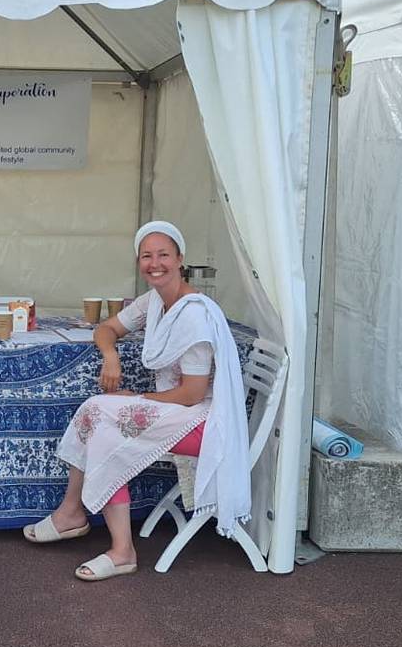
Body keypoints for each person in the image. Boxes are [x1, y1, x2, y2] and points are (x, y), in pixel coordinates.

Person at [23, 221, 249, 582]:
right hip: (176, 411)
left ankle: (119, 549)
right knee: (95, 411)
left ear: (180, 259)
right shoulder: (156, 302)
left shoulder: (194, 314)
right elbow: (106, 328)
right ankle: (73, 514)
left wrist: (138, 397)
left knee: (105, 422)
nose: (154, 263)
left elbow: (192, 394)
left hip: (203, 421)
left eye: (163, 255)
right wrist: (110, 356)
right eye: (146, 256)